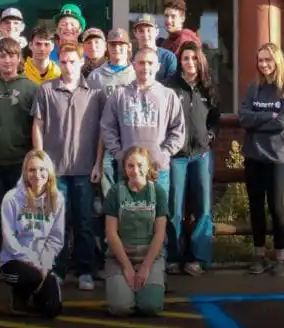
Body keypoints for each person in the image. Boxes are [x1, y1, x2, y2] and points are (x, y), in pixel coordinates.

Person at [32, 42, 104, 290]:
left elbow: (102, 132)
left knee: (84, 221)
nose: (68, 66)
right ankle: (58, 270)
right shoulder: (46, 90)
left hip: (84, 168)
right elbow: (38, 126)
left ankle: (86, 270)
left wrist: (98, 163)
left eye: (73, 61)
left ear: (82, 62)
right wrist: (41, 162)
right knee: (57, 222)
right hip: (55, 170)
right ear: (58, 62)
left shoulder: (95, 93)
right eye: (63, 61)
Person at [239, 42, 284, 277]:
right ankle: (259, 254)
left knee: (276, 207)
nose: (264, 64)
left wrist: (259, 119)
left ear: (278, 61)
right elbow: (244, 118)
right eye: (260, 60)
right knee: (255, 206)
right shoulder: (253, 88)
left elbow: (282, 124)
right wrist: (267, 115)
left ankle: (281, 256)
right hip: (253, 154)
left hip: (277, 157)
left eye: (268, 60)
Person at [0, 37, 38, 268]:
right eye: (2, 55)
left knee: (17, 216)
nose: (7, 60)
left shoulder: (31, 88)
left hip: (20, 164)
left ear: (19, 58)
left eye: (12, 55)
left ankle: (15, 260)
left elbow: (37, 127)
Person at [100, 47, 185, 202]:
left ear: (158, 66)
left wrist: (164, 153)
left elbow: (178, 129)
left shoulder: (168, 95)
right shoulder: (120, 95)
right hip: (128, 169)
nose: (145, 67)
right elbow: (107, 127)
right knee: (128, 216)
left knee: (157, 216)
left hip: (158, 170)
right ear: (134, 65)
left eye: (150, 63)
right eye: (141, 63)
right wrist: (119, 154)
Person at [168, 42, 220, 277]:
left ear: (200, 61)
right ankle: (173, 256)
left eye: (193, 58)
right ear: (180, 61)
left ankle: (199, 258)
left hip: (201, 154)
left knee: (203, 207)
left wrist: (210, 135)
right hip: (176, 156)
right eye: (185, 58)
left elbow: (215, 119)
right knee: (174, 209)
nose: (189, 62)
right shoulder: (170, 87)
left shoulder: (208, 88)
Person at [0, 150, 66, 318]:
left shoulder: (57, 199)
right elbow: (9, 240)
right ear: (25, 172)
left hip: (42, 261)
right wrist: (32, 261)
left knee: (52, 310)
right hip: (15, 259)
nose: (37, 174)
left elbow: (56, 238)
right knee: (31, 276)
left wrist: (45, 262)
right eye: (32, 170)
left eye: (42, 169)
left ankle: (37, 292)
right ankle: (19, 295)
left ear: (49, 172)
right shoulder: (11, 198)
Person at [104, 146, 168, 317]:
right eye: (130, 166)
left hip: (150, 256)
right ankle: (120, 285)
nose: (135, 170)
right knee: (121, 308)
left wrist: (146, 267)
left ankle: (156, 280)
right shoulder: (115, 192)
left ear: (148, 167)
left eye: (140, 165)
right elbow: (111, 234)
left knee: (150, 307)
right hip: (120, 256)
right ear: (124, 168)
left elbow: (160, 234)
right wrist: (127, 267)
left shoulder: (158, 193)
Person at [87, 28, 137, 195]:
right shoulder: (95, 77)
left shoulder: (137, 73)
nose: (117, 48)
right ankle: (110, 220)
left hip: (131, 137)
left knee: (131, 188)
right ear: (107, 47)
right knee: (107, 190)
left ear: (129, 46)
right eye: (113, 45)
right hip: (105, 140)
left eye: (121, 44)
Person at [132, 13, 178, 83]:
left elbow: (171, 85)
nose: (145, 35)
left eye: (149, 30)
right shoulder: (130, 57)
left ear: (157, 32)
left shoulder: (168, 57)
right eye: (141, 31)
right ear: (135, 33)